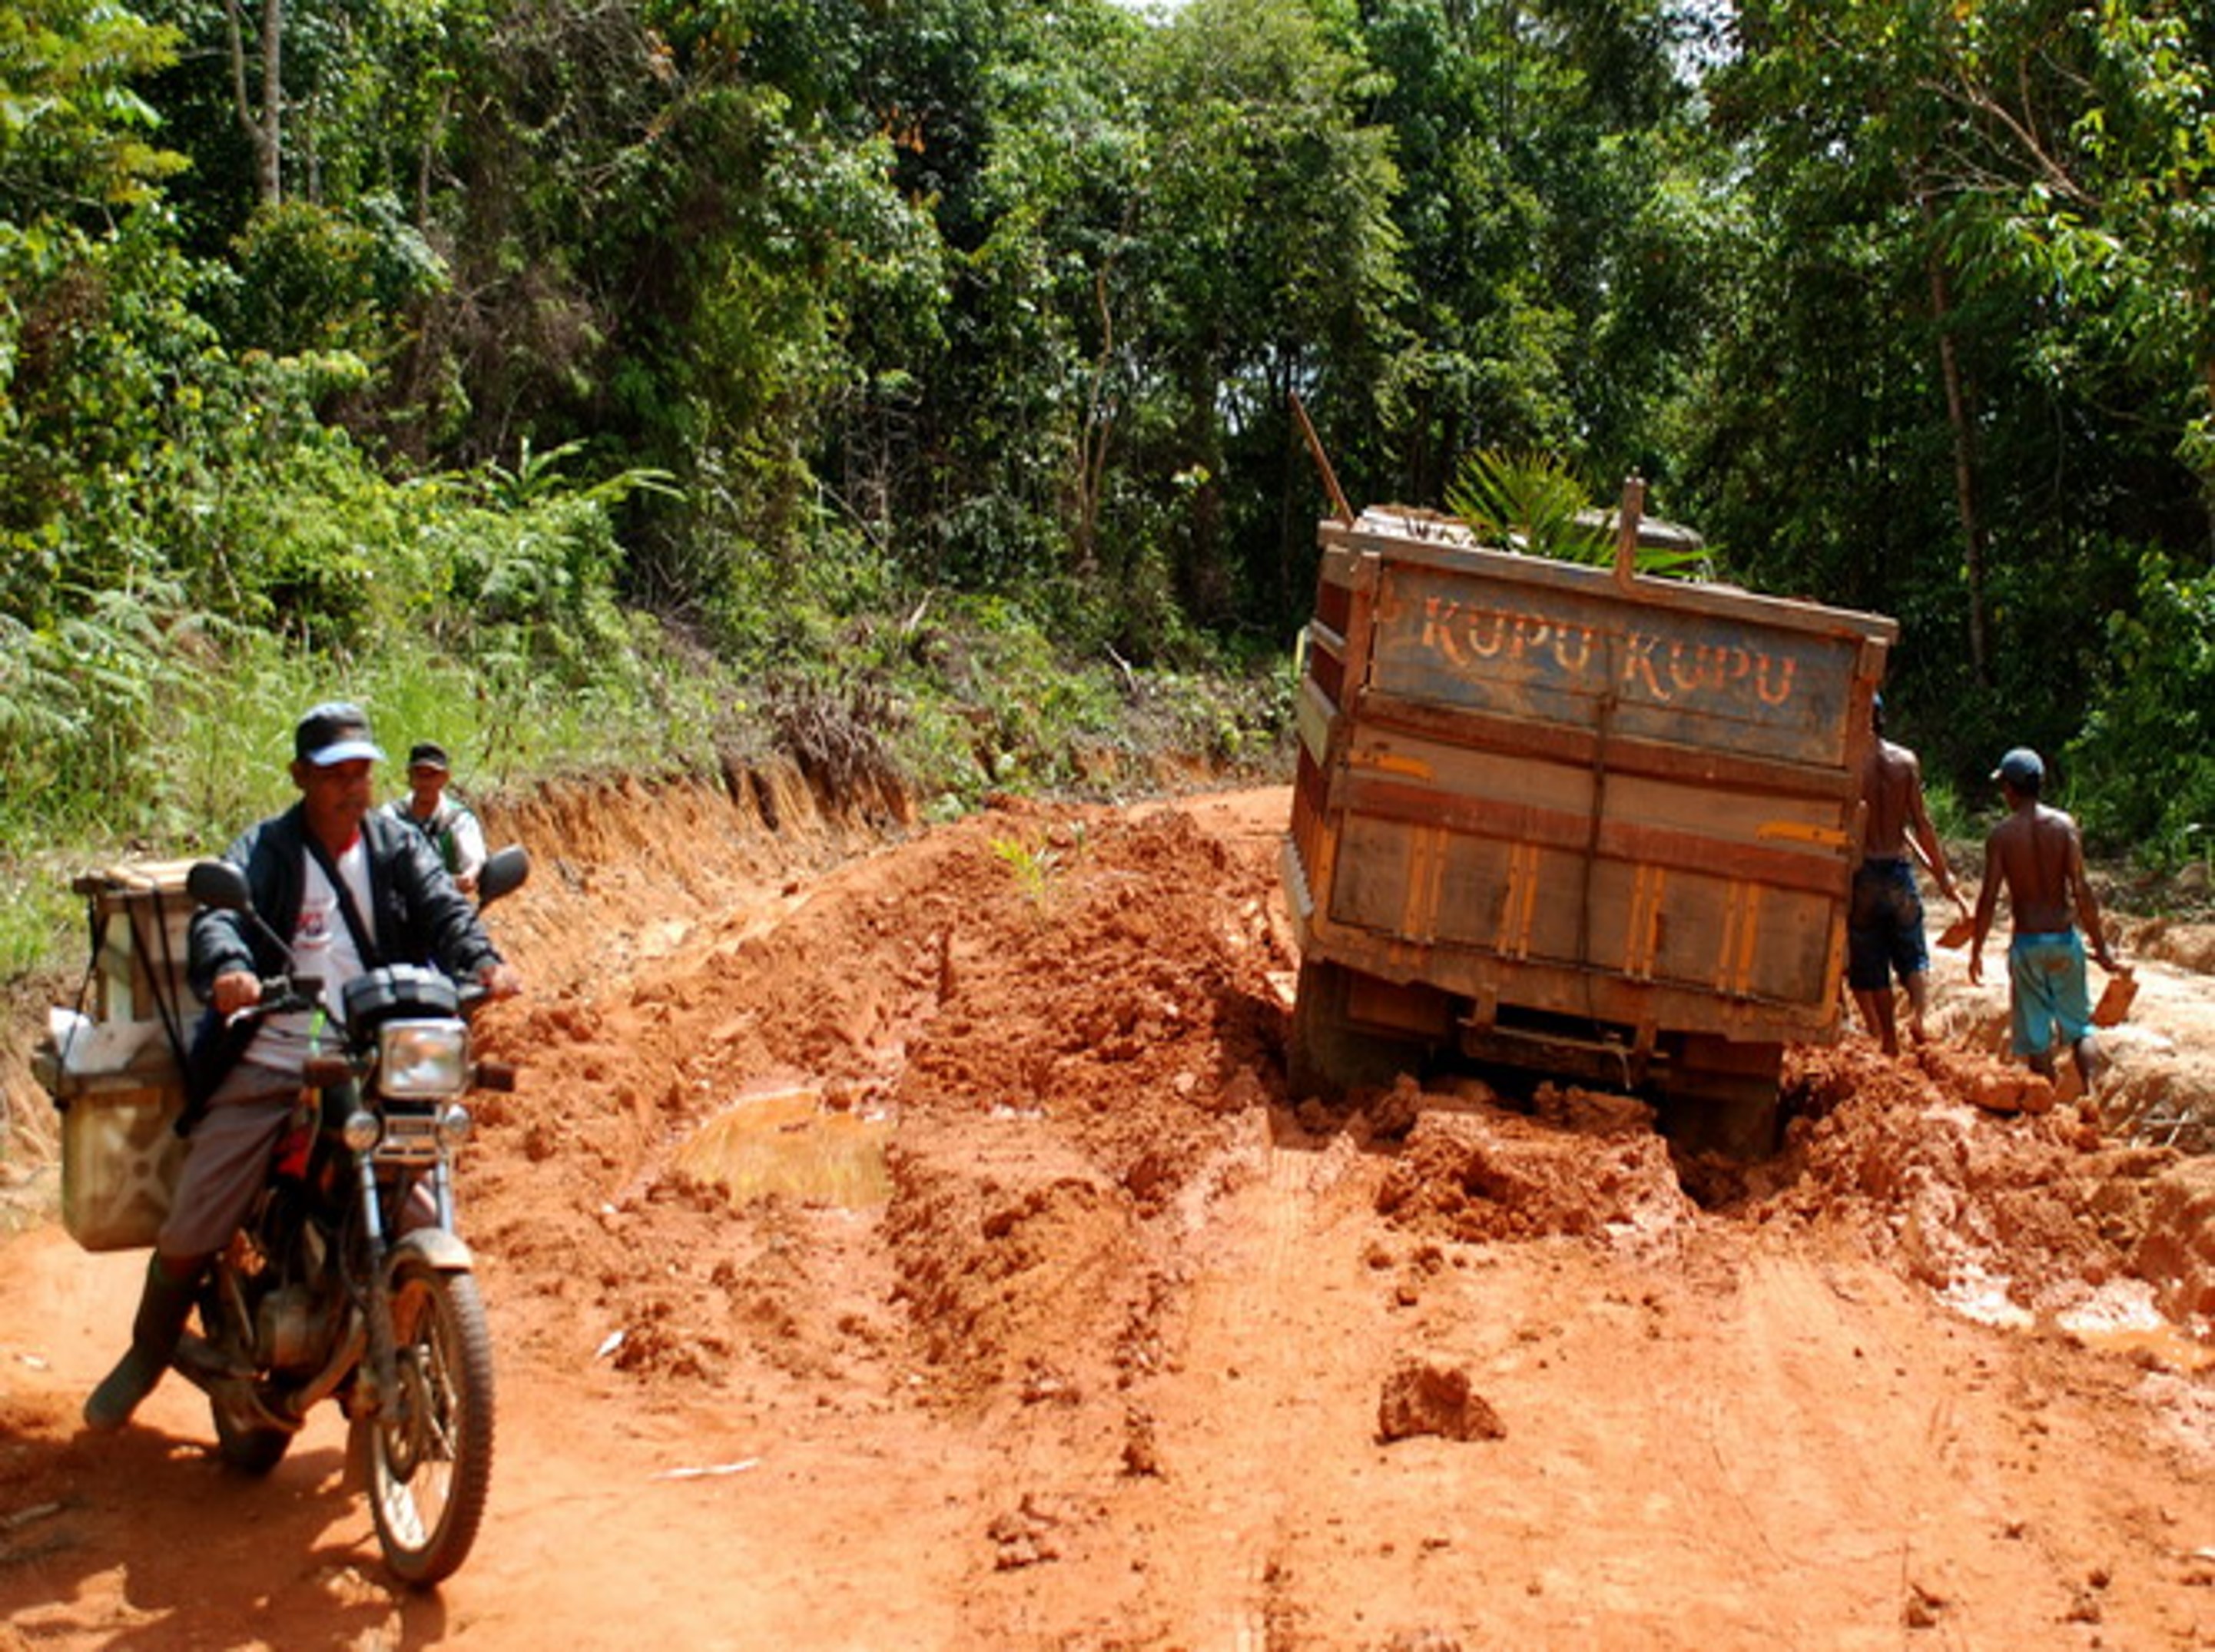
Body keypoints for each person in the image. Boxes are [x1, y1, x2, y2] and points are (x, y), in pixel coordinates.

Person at [83, 702, 522, 1434]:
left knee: (418, 1195)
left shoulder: (395, 843)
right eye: (335, 775)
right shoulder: (267, 849)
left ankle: (413, 1345)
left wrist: (484, 960)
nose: (353, 788)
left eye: (361, 773)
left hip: (375, 1055)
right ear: (300, 777)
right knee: (201, 1209)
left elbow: (444, 906)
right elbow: (219, 915)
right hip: (277, 1056)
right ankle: (146, 1350)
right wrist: (230, 970)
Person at [1967, 746, 2120, 1093]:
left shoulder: (2002, 836)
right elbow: (2082, 890)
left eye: (2004, 786)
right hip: (2065, 940)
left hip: (2028, 944)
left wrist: (1976, 949)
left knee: (2036, 1037)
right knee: (2080, 1028)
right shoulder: (2064, 827)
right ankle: (2092, 1096)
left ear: (2011, 788)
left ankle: (2047, 1105)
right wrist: (2101, 946)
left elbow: (1988, 898)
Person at [1849, 695, 1969, 1054]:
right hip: (1899, 869)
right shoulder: (1906, 761)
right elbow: (1923, 824)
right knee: (1912, 951)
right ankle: (1920, 1015)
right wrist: (1943, 875)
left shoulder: (1852, 762)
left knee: (1871, 961)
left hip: (1864, 870)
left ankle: (1887, 1036)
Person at [386, 740, 487, 894]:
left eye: (432, 775)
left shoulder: (459, 820)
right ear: (409, 778)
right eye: (419, 775)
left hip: (446, 906)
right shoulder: (390, 817)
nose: (425, 782)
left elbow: (475, 862)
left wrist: (468, 877)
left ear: (445, 778)